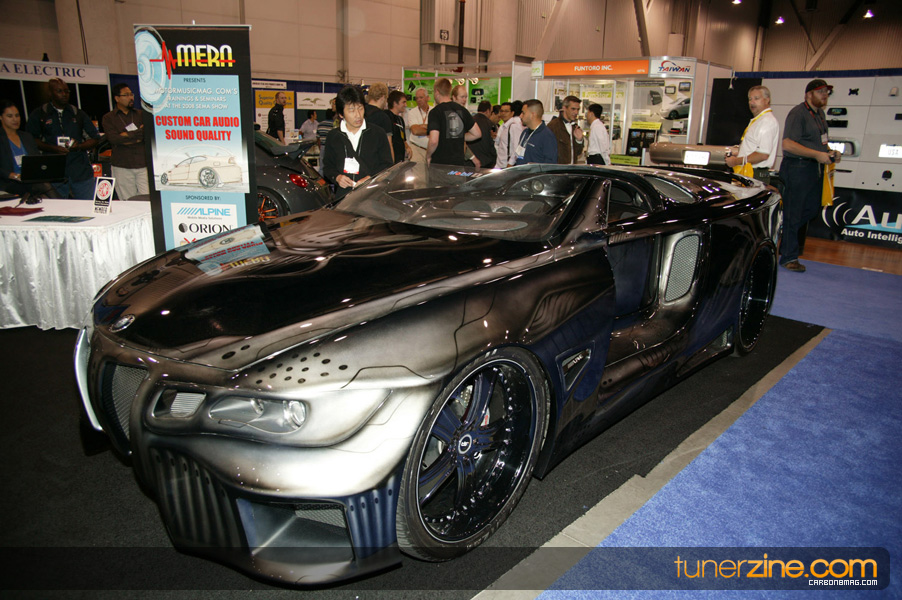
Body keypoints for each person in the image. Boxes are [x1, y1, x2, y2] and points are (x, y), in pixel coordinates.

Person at [778, 79, 839, 273]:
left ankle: (784, 236)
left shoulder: (820, 115)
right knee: (794, 213)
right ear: (808, 94)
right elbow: (787, 144)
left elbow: (820, 143)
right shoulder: (798, 113)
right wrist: (817, 154)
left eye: (827, 92)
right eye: (820, 91)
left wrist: (829, 152)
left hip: (814, 169)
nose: (825, 94)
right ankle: (789, 257)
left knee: (812, 209)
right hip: (797, 168)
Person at [27, 77, 100, 199]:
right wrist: (53, 148)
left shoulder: (77, 113)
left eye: (67, 91)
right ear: (50, 93)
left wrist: (79, 146)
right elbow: (31, 140)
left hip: (79, 169)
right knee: (58, 207)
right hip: (54, 171)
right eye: (59, 91)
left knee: (88, 205)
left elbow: (95, 138)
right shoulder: (40, 114)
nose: (64, 94)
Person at [322, 85, 392, 201]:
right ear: (341, 114)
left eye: (360, 108)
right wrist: (337, 177)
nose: (358, 115)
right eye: (351, 110)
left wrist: (370, 178)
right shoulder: (334, 136)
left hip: (372, 197)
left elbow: (387, 165)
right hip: (344, 198)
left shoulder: (377, 133)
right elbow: (328, 167)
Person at [724, 85, 780, 184]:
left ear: (767, 100)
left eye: (756, 98)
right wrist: (740, 152)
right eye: (750, 99)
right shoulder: (759, 120)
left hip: (755, 174)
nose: (752, 102)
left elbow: (762, 155)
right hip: (749, 172)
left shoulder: (767, 121)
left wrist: (735, 161)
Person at [101, 83, 147, 200]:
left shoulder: (141, 114)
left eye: (131, 94)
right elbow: (114, 139)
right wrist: (136, 135)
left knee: (147, 199)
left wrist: (126, 135)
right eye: (126, 95)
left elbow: (145, 135)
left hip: (143, 164)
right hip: (122, 166)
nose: (131, 98)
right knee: (128, 201)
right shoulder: (109, 118)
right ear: (117, 98)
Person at [426, 78, 480, 166]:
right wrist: (458, 136)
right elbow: (477, 134)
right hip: (458, 164)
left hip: (440, 165)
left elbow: (433, 141)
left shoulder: (435, 112)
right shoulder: (462, 110)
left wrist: (428, 156)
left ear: (437, 91)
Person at [0, 99, 40, 195]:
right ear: (1, 117)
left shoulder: (26, 136)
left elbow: (38, 159)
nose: (15, 119)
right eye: (10, 116)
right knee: (43, 187)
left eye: (17, 115)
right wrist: (13, 175)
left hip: (30, 179)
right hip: (9, 182)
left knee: (45, 185)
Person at [514, 99, 557, 165]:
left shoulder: (547, 136)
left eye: (523, 113)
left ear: (533, 115)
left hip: (535, 172)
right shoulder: (525, 133)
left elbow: (550, 165)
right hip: (521, 171)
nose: (520, 116)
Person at [547, 95, 585, 164]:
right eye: (573, 109)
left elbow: (578, 153)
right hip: (557, 169)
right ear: (564, 108)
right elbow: (547, 152)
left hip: (571, 168)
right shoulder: (553, 126)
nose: (576, 112)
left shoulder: (575, 127)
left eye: (578, 109)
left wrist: (579, 140)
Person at [364, 82, 395, 162]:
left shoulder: (360, 113)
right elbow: (389, 145)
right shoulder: (383, 117)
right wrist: (392, 165)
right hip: (376, 160)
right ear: (383, 97)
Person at [467, 100, 497, 169]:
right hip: (486, 162)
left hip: (470, 161)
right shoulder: (491, 125)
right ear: (488, 111)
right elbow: (492, 144)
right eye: (491, 112)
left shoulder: (470, 121)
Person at [385, 90, 412, 165]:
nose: (406, 105)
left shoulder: (400, 119)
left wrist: (407, 147)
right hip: (391, 160)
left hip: (400, 160)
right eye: (403, 102)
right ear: (395, 103)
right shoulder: (386, 117)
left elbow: (403, 138)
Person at [494, 100, 524, 168]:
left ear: (512, 113)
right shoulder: (503, 126)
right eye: (501, 111)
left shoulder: (514, 126)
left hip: (507, 165)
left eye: (506, 111)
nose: (503, 113)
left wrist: (510, 163)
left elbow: (517, 147)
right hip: (500, 164)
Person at [405, 87, 430, 163]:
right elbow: (415, 131)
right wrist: (431, 130)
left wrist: (422, 126)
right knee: (417, 171)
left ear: (427, 98)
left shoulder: (434, 111)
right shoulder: (412, 112)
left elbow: (440, 129)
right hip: (417, 149)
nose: (418, 100)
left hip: (432, 150)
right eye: (416, 98)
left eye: (421, 97)